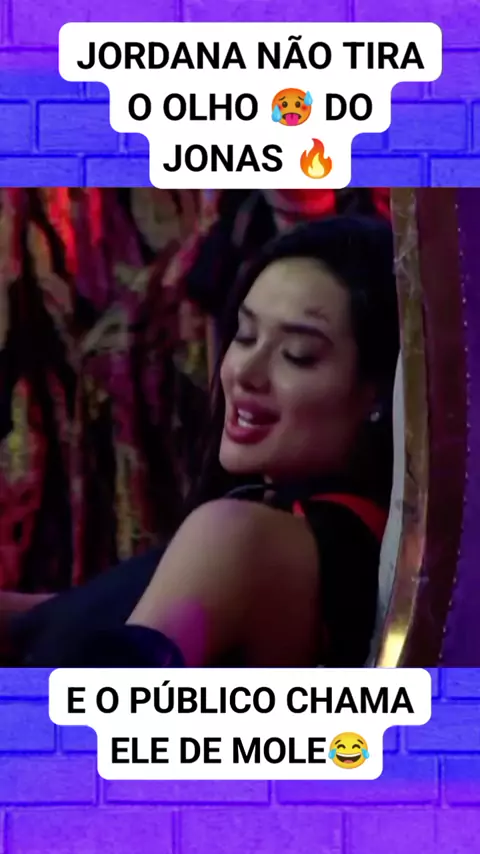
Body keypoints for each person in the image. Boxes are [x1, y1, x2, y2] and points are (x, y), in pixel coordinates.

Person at [7, 214, 399, 668]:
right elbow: (75, 617)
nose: (244, 372)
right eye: (245, 335)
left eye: (298, 355)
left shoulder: (243, 538)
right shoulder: (341, 538)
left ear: (380, 394)